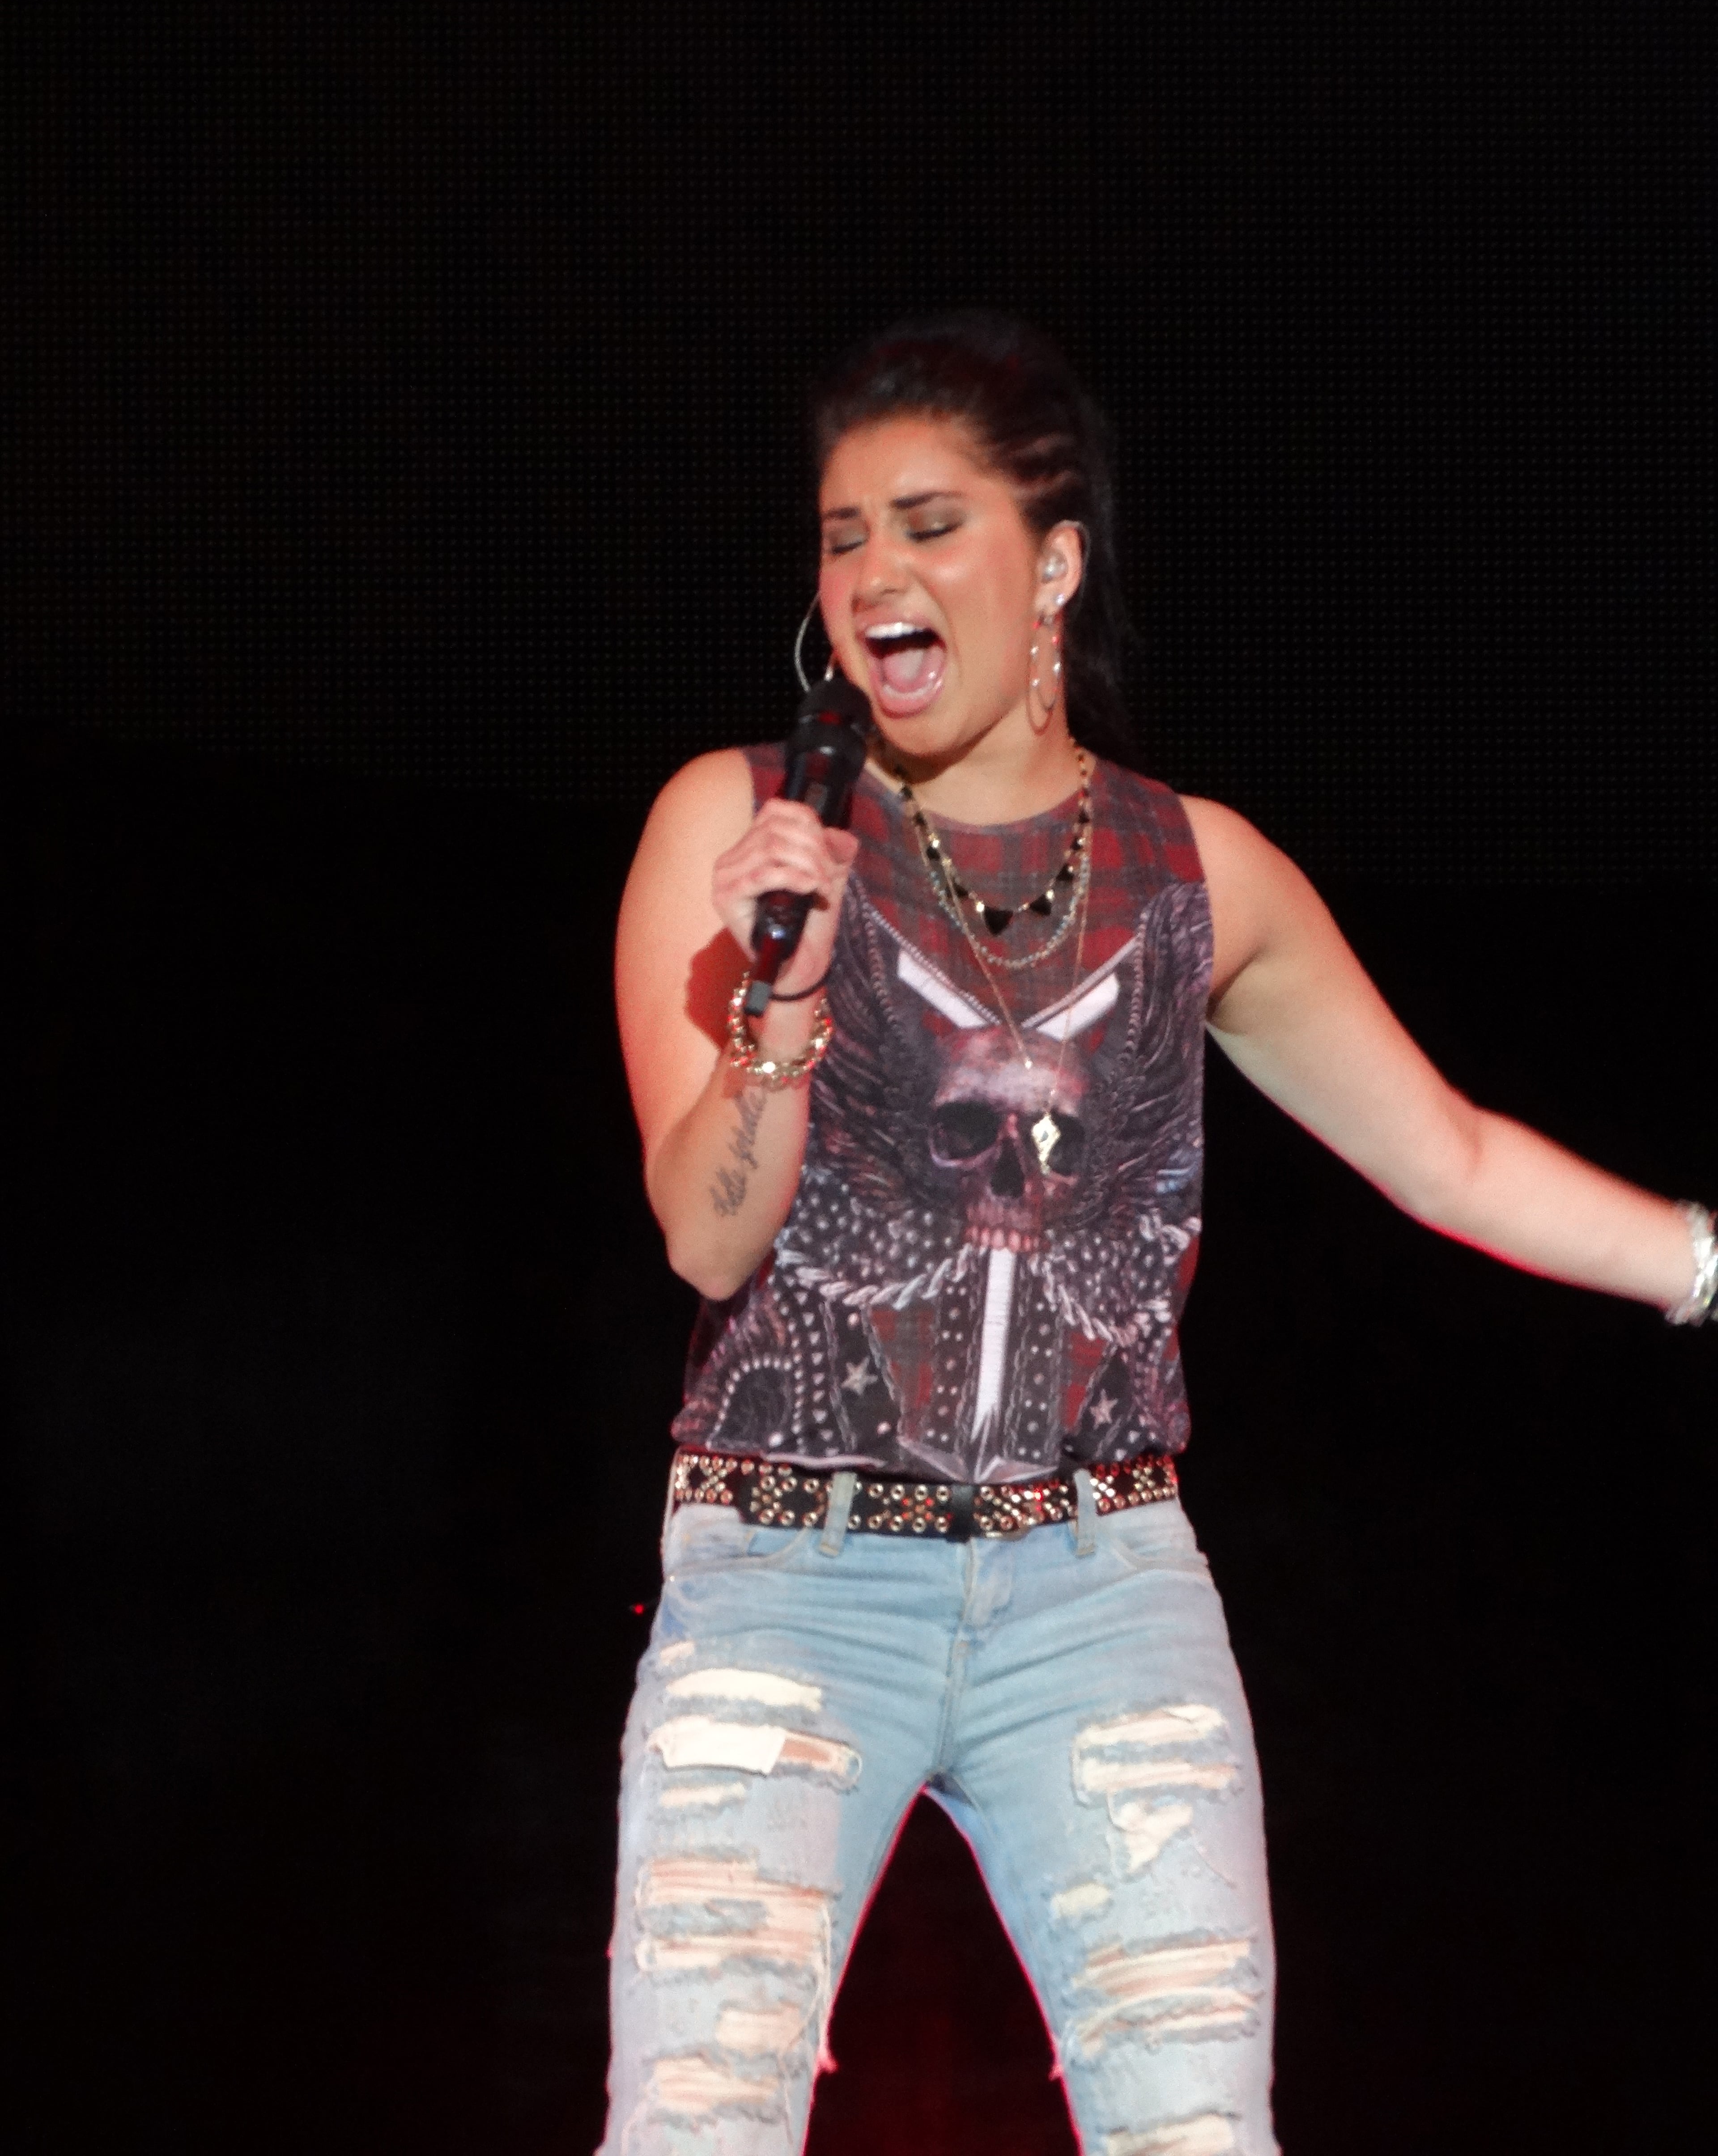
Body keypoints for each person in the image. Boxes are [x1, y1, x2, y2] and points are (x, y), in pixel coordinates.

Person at [605, 314, 1713, 2156]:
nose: (876, 571)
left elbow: (1445, 1152)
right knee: (692, 2127)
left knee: (1199, 2129)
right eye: (843, 531)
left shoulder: (1202, 872)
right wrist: (781, 1000)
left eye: (928, 521)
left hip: (1098, 1590)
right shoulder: (734, 831)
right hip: (793, 1581)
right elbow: (709, 1240)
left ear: (1053, 564)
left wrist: (1703, 1261)